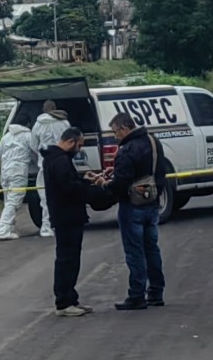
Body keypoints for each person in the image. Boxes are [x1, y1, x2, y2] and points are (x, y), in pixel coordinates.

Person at [98, 113, 166, 310]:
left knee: (134, 251)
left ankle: (137, 294)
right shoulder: (153, 142)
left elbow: (120, 185)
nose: (114, 136)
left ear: (124, 128)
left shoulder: (126, 150)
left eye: (115, 132)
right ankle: (156, 292)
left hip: (131, 205)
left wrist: (105, 183)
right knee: (152, 248)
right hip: (152, 202)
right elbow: (160, 171)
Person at [42, 127, 95, 317]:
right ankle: (64, 302)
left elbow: (69, 182)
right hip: (67, 217)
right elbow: (69, 188)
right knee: (67, 260)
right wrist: (88, 187)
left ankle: (71, 298)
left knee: (70, 259)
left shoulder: (55, 159)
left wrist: (83, 178)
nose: (79, 149)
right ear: (71, 142)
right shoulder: (60, 161)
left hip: (65, 216)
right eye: (79, 145)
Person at [31, 100, 71, 237]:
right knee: (64, 194)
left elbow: (33, 145)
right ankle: (64, 223)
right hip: (63, 162)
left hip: (44, 163)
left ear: (43, 110)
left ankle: (46, 226)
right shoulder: (64, 122)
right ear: (55, 108)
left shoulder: (38, 124)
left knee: (45, 197)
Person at [0, 114, 32, 240]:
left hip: (5, 171)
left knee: (8, 200)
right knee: (14, 202)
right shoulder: (28, 135)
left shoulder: (7, 136)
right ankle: (2, 230)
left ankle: (9, 228)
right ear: (27, 124)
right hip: (18, 171)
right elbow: (36, 150)